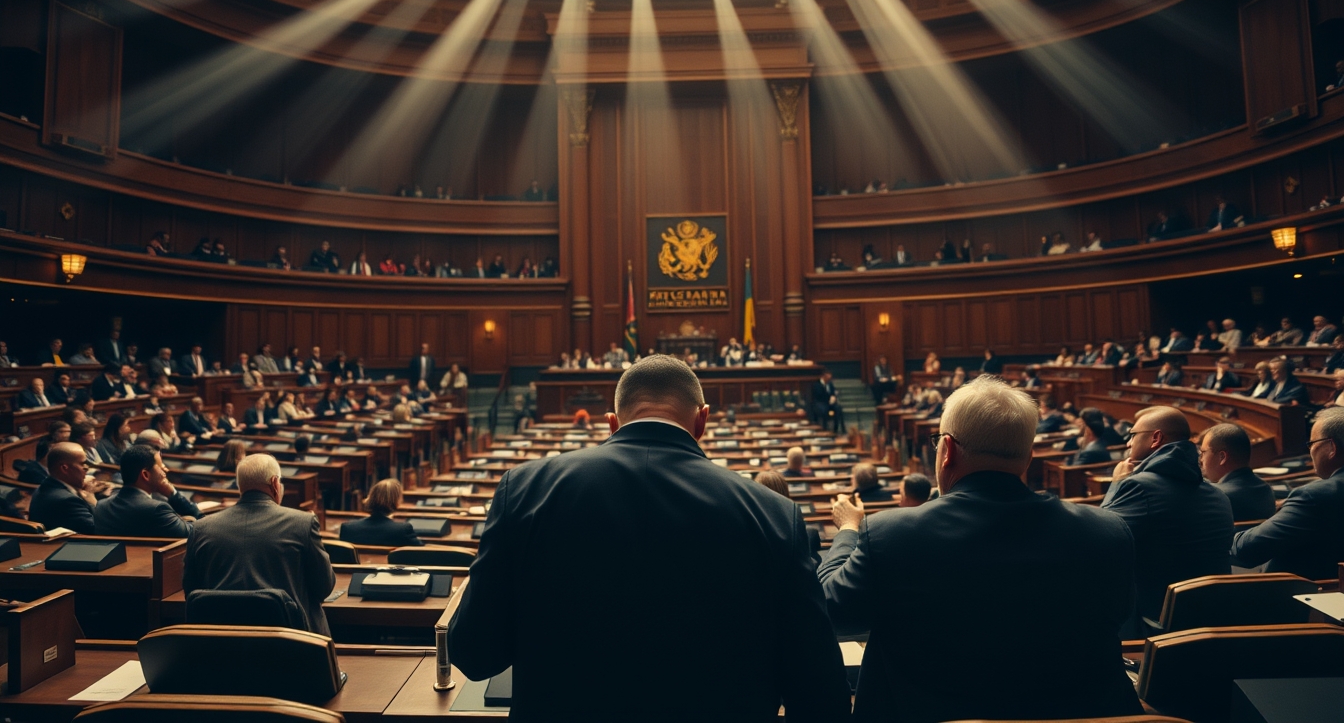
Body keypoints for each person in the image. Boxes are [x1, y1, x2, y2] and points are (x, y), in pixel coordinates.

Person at [447, 355, 851, 722]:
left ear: (613, 422)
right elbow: (820, 694)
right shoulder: (775, 515)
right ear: (702, 421)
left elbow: (474, 654)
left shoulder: (524, 491)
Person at [819, 376, 1141, 722]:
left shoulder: (890, 535)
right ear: (1028, 457)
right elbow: (1119, 616)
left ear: (947, 450)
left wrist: (848, 530)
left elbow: (831, 612)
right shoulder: (1107, 533)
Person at [1100, 406, 1232, 635]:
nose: (1128, 443)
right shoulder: (1219, 495)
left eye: (1132, 435)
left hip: (1154, 626)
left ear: (1156, 438)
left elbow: (1100, 537)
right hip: (1213, 620)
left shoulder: (1138, 487)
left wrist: (1117, 483)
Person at [183, 453, 335, 636]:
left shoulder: (201, 528)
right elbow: (324, 587)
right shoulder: (302, 523)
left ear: (240, 485)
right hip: (291, 643)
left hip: (221, 642)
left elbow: (190, 591)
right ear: (274, 483)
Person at [1230, 408, 1344, 579]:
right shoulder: (1316, 497)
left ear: (1332, 447)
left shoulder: (1314, 497)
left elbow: (1246, 550)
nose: (1310, 451)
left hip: (1300, 592)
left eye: (1312, 443)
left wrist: (1213, 533)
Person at [93, 445, 200, 538]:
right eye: (160, 467)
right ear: (145, 475)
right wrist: (173, 494)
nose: (165, 470)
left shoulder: (101, 507)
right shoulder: (157, 509)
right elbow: (198, 532)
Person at [1198, 424, 1275, 522]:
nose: (1201, 460)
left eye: (1203, 453)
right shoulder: (1266, 490)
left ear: (1222, 457)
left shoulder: (1215, 497)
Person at [27, 442, 98, 534]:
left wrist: (78, 488)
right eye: (82, 464)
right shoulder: (67, 500)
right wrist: (92, 501)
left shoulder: (46, 486)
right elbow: (101, 529)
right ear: (64, 468)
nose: (86, 468)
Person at [338, 479, 422, 547]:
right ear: (397, 502)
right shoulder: (403, 530)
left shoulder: (348, 528)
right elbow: (421, 553)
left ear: (370, 498)